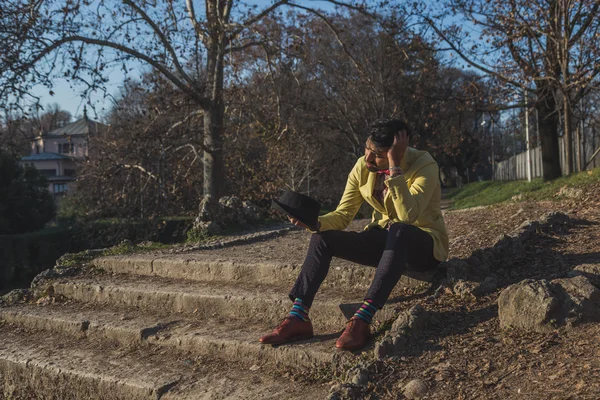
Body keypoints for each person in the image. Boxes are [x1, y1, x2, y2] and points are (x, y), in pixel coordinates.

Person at [259, 118, 449, 351]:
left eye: (376, 155)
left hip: (423, 245)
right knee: (322, 237)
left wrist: (394, 168)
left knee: (400, 229)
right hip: (384, 241)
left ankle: (362, 318)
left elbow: (407, 215)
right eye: (367, 149)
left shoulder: (424, 165)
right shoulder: (363, 166)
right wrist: (315, 223)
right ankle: (298, 316)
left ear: (396, 153)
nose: (368, 159)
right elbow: (343, 214)